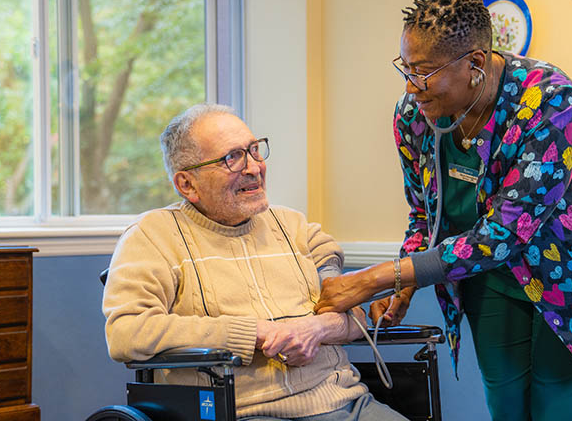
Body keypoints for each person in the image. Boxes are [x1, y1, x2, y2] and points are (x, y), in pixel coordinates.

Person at [315, 0, 572, 421]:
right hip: (489, 275)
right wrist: (406, 280)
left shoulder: (550, 101)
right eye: (406, 68)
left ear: (474, 63)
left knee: (564, 408)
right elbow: (425, 213)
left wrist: (373, 279)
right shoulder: (415, 116)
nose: (410, 86)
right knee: (507, 406)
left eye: (423, 71)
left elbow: (506, 231)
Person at [102, 104, 407, 421]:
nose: (253, 168)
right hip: (242, 412)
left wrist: (316, 328)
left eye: (254, 151)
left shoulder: (296, 228)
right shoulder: (153, 235)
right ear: (186, 184)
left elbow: (351, 310)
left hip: (344, 403)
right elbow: (128, 332)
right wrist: (254, 333)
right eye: (232, 158)